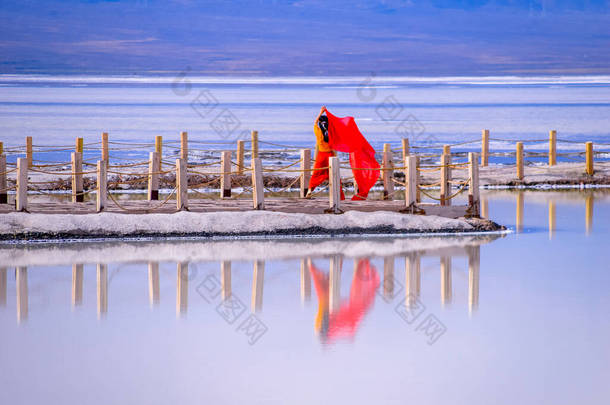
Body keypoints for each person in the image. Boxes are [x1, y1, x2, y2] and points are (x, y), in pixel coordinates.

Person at [305, 106, 345, 199]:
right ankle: (339, 196)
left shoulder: (319, 132)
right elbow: (334, 125)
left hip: (321, 156)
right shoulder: (331, 132)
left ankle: (310, 191)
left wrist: (321, 112)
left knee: (316, 174)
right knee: (334, 175)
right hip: (331, 155)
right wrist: (327, 114)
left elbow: (315, 122)